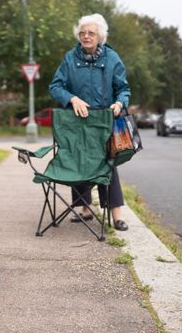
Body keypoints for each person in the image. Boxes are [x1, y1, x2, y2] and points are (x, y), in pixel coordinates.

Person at [49, 13, 131, 231]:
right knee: (80, 160)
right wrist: (72, 98)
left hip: (105, 120)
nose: (86, 36)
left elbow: (123, 89)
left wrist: (119, 104)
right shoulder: (70, 58)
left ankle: (117, 215)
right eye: (82, 33)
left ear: (100, 36)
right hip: (79, 120)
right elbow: (55, 86)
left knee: (108, 164)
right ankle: (85, 208)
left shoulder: (112, 58)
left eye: (91, 33)